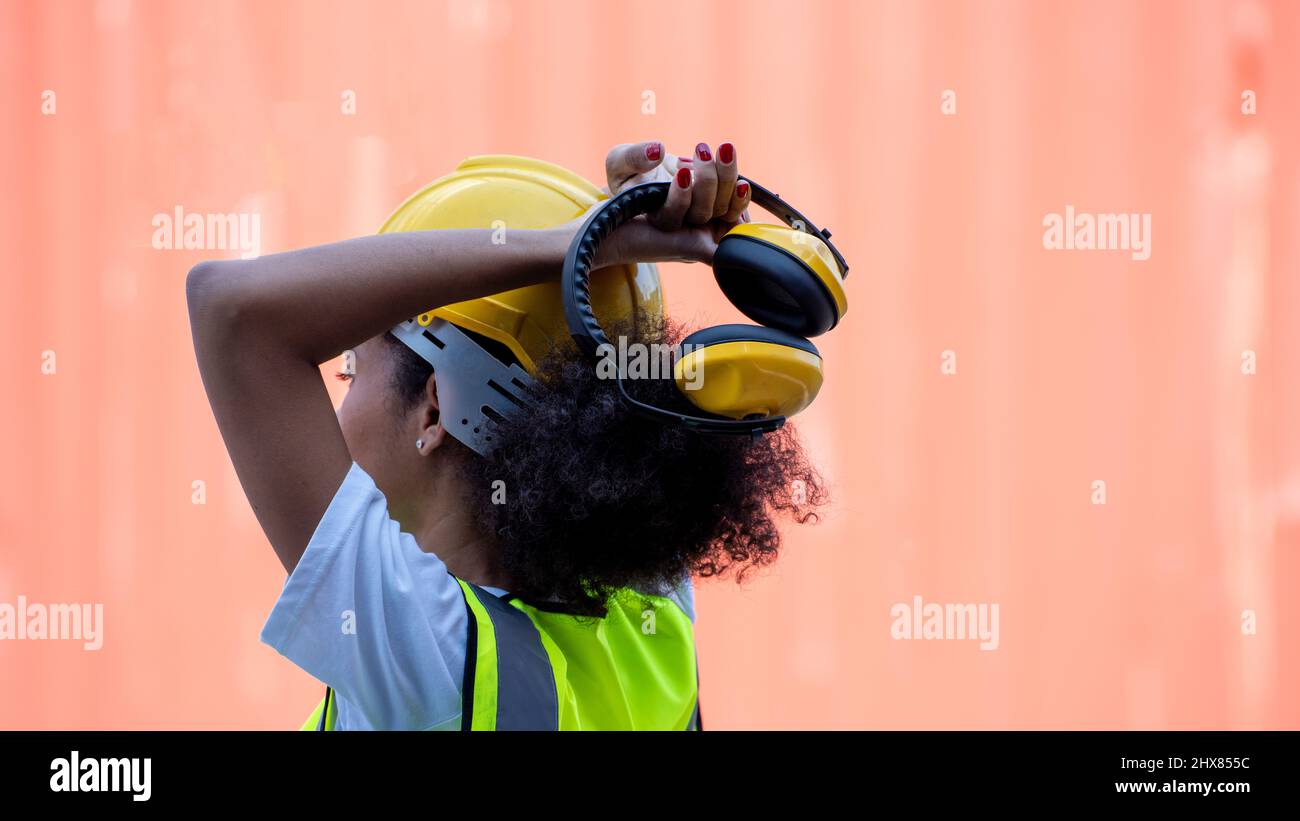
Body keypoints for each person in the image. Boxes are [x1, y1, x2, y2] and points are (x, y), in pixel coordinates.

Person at [186, 141, 826, 730]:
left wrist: (566, 246)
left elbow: (233, 313)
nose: (337, 400)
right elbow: (629, 433)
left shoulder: (431, 661)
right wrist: (587, 248)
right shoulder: (650, 625)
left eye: (348, 369)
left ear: (435, 407)